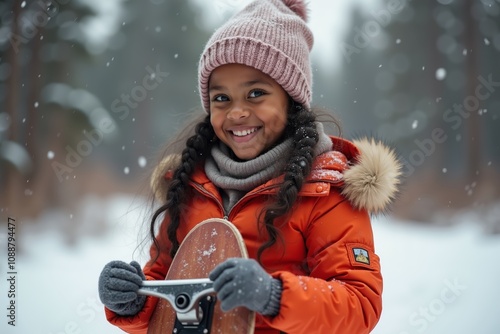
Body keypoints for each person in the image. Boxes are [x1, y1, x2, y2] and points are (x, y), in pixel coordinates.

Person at [98, 0, 402, 333]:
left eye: (256, 93)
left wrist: (274, 296)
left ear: (291, 100)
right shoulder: (190, 185)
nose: (237, 112)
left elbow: (359, 305)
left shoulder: (325, 191)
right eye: (221, 98)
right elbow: (166, 300)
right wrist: (135, 299)